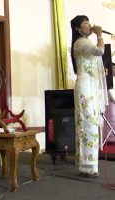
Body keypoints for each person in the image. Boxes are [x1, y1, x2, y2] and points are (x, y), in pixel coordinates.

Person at [70, 15, 108, 178]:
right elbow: (100, 50)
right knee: (88, 124)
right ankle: (87, 166)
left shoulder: (85, 43)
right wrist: (99, 34)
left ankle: (87, 164)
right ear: (79, 28)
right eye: (86, 23)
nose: (90, 25)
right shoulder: (80, 42)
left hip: (90, 86)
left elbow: (95, 60)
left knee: (89, 123)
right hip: (85, 87)